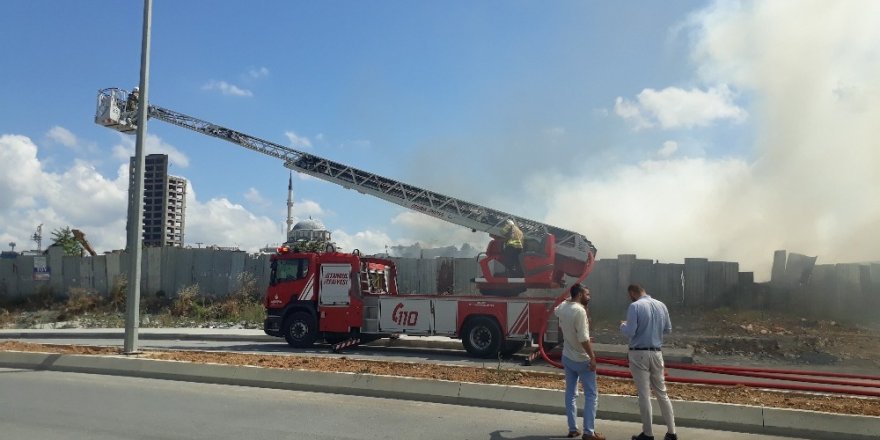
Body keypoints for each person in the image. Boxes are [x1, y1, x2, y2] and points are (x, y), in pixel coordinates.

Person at [620, 284, 678, 440]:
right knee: (662, 393)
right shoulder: (661, 305)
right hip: (657, 353)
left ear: (632, 293)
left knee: (644, 395)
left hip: (639, 354)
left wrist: (623, 326)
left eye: (630, 295)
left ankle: (648, 433)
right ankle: (672, 432)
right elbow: (668, 329)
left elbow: (630, 332)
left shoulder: (635, 306)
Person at [555, 283, 604, 440]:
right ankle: (589, 432)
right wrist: (593, 357)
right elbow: (583, 338)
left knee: (571, 393)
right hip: (582, 360)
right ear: (580, 295)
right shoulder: (579, 311)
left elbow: (558, 309)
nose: (589, 297)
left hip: (568, 358)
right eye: (587, 294)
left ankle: (572, 429)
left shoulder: (563, 307)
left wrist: (570, 298)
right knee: (591, 394)